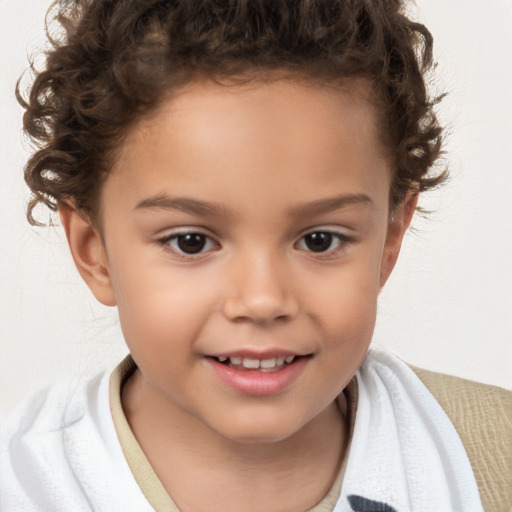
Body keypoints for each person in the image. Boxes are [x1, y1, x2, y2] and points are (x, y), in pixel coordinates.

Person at [1, 1, 510, 511]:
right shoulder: (23, 486)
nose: (263, 300)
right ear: (96, 253)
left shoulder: (493, 456)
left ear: (390, 238)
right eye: (191, 242)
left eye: (320, 240)